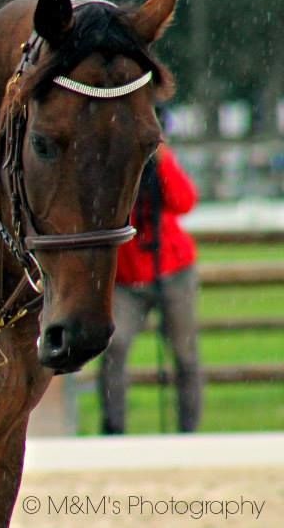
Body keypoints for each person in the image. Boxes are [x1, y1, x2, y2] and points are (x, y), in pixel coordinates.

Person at [98, 143, 202, 434]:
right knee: (115, 346)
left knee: (185, 353)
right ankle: (114, 428)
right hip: (126, 279)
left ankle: (189, 432)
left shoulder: (158, 163)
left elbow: (184, 201)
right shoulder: (108, 165)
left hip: (173, 270)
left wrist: (162, 158)